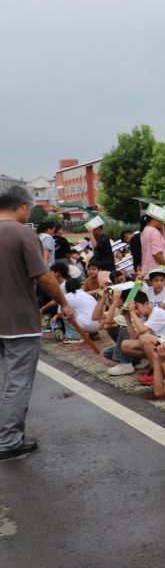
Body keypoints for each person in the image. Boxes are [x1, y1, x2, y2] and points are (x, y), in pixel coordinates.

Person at [0, 186, 73, 460]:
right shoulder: (23, 233)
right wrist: (64, 303)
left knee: (9, 381)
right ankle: (8, 441)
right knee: (17, 382)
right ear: (22, 207)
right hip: (19, 320)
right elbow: (43, 276)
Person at [139, 214, 165, 278]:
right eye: (161, 218)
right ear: (154, 218)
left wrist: (162, 227)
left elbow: (163, 243)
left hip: (147, 271)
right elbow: (156, 254)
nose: (163, 221)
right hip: (156, 271)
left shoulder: (145, 230)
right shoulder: (154, 231)